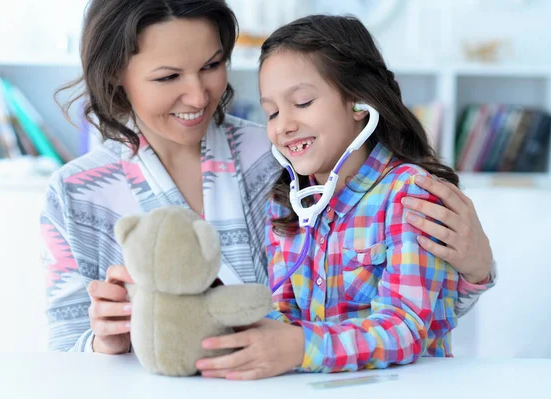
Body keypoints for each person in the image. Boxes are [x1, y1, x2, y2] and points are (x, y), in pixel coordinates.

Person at [40, 0, 495, 357]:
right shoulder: (75, 195)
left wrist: (473, 272)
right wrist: (103, 344)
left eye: (212, 65)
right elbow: (65, 356)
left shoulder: (292, 158)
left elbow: (406, 315)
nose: (199, 94)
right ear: (116, 77)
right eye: (168, 76)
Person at [194, 14, 496, 380]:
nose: (283, 124)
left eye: (302, 102)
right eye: (271, 111)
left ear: (359, 104)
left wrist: (300, 346)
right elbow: (282, 311)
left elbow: (404, 328)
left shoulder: (410, 194)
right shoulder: (288, 202)